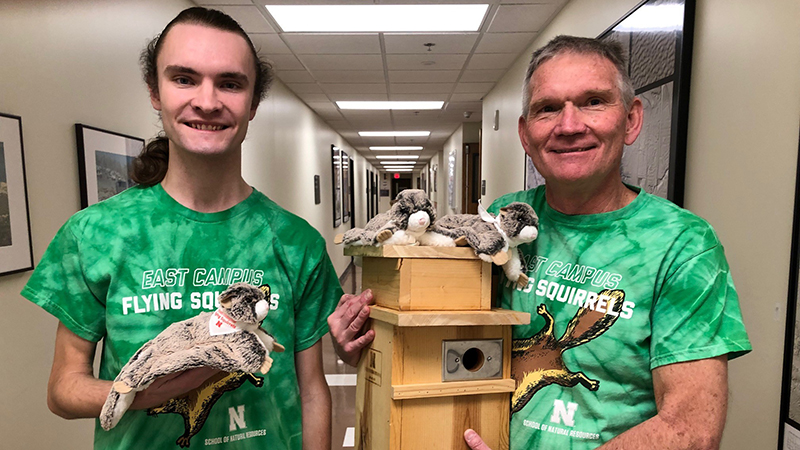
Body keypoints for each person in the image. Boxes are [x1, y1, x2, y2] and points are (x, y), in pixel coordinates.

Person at [330, 35, 751, 450]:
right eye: (548, 108)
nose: (569, 126)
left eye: (593, 102)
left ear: (631, 119)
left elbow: (690, 430)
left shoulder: (683, 245)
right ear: (526, 134)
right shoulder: (500, 224)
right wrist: (366, 345)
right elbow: (443, 339)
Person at [21, 7, 341, 450]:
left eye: (230, 83)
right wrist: (151, 389)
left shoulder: (296, 241)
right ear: (155, 92)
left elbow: (311, 391)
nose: (207, 101)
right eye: (184, 79)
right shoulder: (95, 234)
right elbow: (63, 389)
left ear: (253, 104)